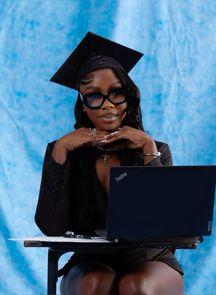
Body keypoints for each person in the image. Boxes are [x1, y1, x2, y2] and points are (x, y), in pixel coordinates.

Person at [35, 32, 184, 295]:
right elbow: (50, 226)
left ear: (129, 97)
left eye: (116, 93)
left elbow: (166, 226)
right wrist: (61, 150)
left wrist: (148, 149)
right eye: (94, 96)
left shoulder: (156, 149)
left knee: (135, 286)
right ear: (83, 105)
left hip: (150, 258)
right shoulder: (63, 151)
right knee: (94, 283)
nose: (107, 106)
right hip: (89, 259)